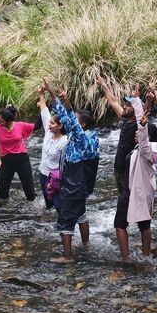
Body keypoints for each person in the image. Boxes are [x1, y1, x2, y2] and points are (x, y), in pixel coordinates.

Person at [43, 79, 99, 264]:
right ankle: (86, 244)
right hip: (81, 185)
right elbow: (66, 117)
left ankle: (67, 256)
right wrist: (52, 93)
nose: (70, 120)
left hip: (74, 184)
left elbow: (70, 120)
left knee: (65, 220)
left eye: (76, 119)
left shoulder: (81, 139)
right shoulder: (91, 138)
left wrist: (66, 101)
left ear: (82, 125)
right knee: (81, 214)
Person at [114, 90, 157, 262]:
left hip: (132, 191)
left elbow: (142, 135)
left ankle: (126, 258)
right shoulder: (146, 150)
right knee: (144, 224)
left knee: (119, 224)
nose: (137, 132)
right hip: (140, 192)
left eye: (140, 132)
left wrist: (145, 104)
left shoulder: (146, 150)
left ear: (147, 136)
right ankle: (146, 256)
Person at [0, 96, 40, 201]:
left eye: (2, 121)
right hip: (6, 160)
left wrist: (41, 109)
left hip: (22, 160)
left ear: (10, 121)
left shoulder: (20, 126)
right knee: (2, 192)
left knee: (29, 192)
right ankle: (5, 211)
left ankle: (34, 210)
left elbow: (37, 126)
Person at [96, 76, 138, 193]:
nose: (125, 106)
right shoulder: (125, 119)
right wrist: (104, 85)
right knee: (122, 197)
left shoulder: (139, 124)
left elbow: (141, 112)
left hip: (129, 169)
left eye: (129, 105)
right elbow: (113, 102)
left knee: (128, 199)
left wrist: (138, 100)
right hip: (118, 167)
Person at [37, 85, 67, 211]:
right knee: (48, 204)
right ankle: (50, 227)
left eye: (52, 124)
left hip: (56, 176)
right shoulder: (49, 132)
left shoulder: (65, 141)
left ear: (60, 126)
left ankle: (64, 226)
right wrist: (41, 93)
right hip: (43, 173)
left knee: (59, 205)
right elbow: (44, 111)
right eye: (49, 123)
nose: (49, 125)